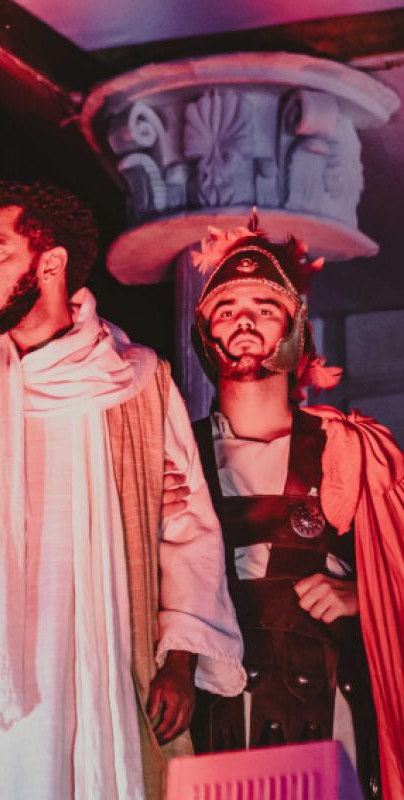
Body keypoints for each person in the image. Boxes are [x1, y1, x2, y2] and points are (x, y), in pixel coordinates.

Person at [0, 181, 246, 799]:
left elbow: (186, 528)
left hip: (94, 671)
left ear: (50, 263)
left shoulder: (133, 384)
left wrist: (179, 660)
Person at [185, 218, 404, 799]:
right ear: (204, 332)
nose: (244, 320)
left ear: (295, 328)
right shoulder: (171, 453)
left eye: (264, 307)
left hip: (331, 719)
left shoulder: (351, 449)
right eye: (226, 308)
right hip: (211, 725)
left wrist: (364, 596)